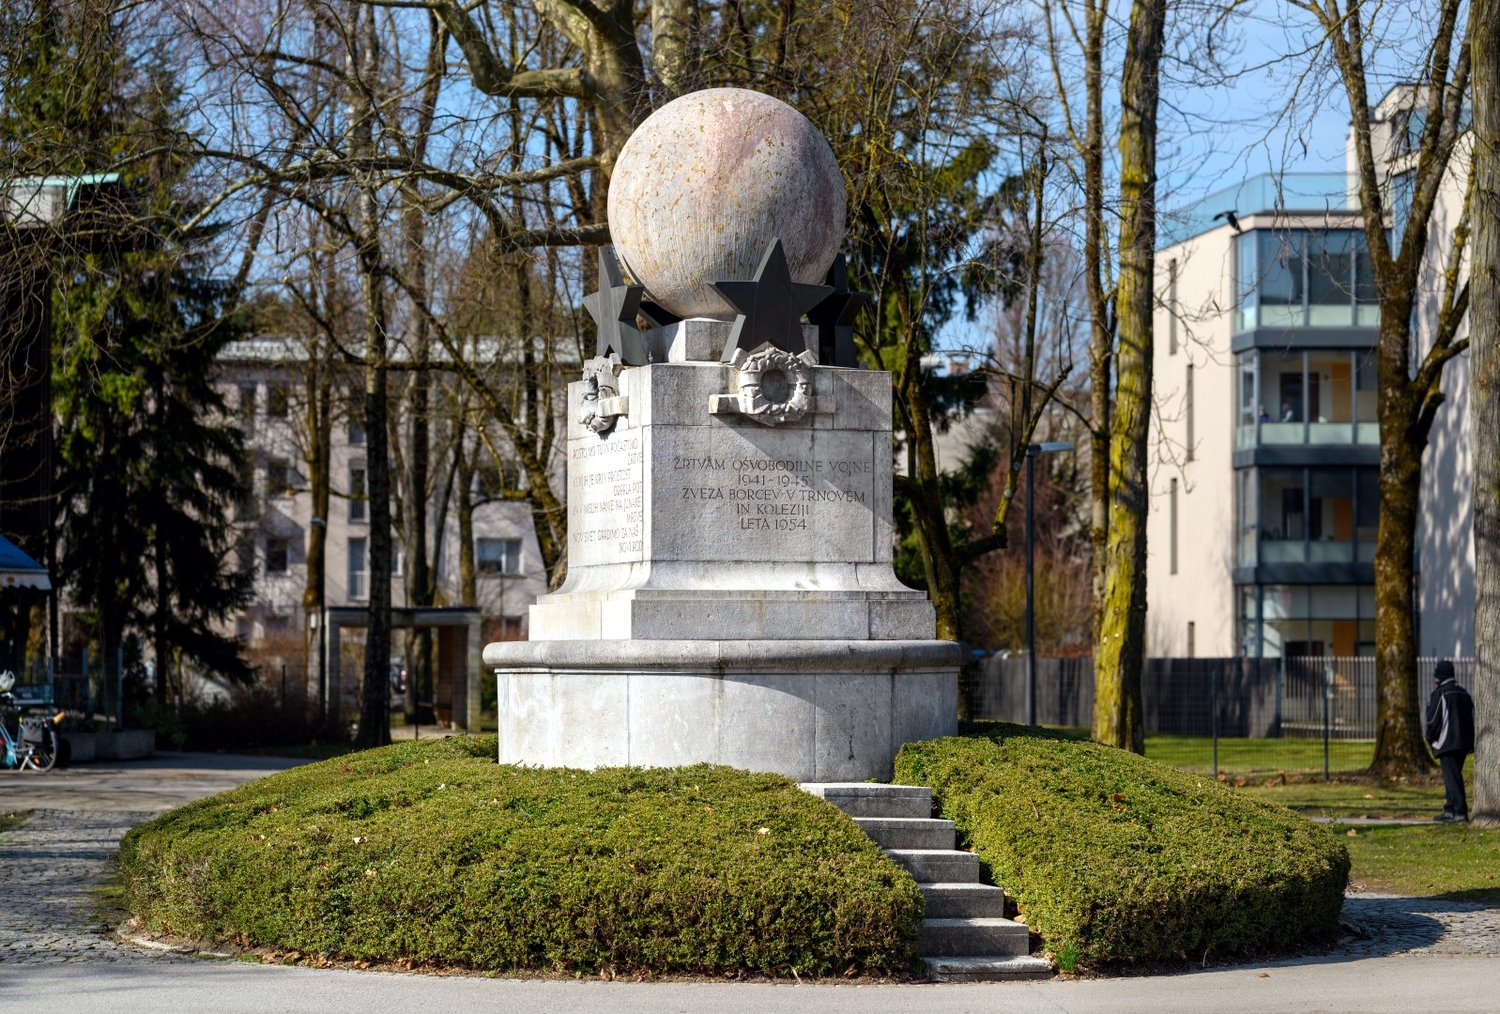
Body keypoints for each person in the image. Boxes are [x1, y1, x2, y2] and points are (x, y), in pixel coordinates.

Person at [1425, 660, 1475, 823]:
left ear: (1438, 677)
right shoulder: (1463, 693)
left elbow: (1432, 720)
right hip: (1464, 742)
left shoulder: (1440, 694)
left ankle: (1459, 811)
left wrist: (1431, 739)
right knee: (1453, 775)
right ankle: (1450, 808)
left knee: (1452, 778)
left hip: (1446, 742)